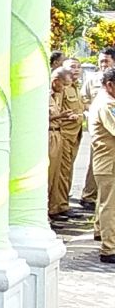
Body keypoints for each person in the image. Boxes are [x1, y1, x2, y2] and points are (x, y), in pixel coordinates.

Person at [50, 58, 85, 220]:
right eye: (72, 67)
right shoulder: (61, 86)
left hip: (74, 134)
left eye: (78, 67)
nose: (76, 70)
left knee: (67, 171)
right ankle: (58, 206)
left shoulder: (75, 86)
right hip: (62, 134)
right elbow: (56, 112)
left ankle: (63, 204)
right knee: (60, 173)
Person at [82, 48, 115, 209]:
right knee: (109, 205)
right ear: (109, 85)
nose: (103, 64)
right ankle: (108, 235)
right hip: (108, 156)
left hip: (106, 154)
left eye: (106, 61)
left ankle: (100, 232)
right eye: (101, 61)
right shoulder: (107, 103)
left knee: (105, 201)